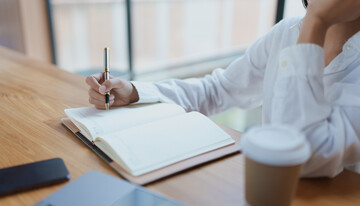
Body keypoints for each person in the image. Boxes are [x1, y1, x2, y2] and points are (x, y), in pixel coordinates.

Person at [86, 0, 360, 178]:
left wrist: (317, 20)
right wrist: (135, 92)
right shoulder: (287, 32)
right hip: (267, 193)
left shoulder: (308, 29)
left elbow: (304, 156)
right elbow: (219, 89)